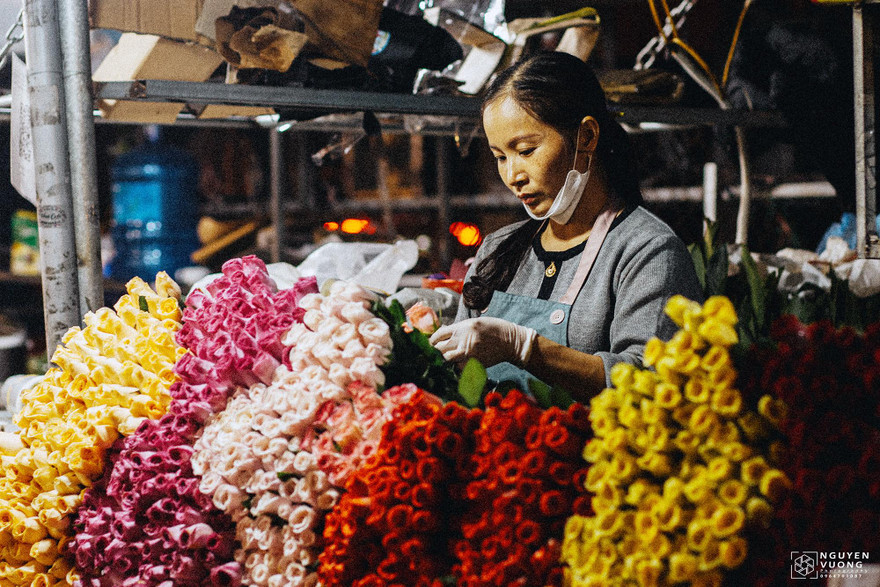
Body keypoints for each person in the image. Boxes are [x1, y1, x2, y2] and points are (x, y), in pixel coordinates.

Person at [429, 51, 704, 403]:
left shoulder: (647, 251)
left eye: (526, 150)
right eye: (500, 157)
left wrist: (524, 347)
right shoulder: (497, 250)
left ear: (586, 136)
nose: (513, 176)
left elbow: (649, 383)